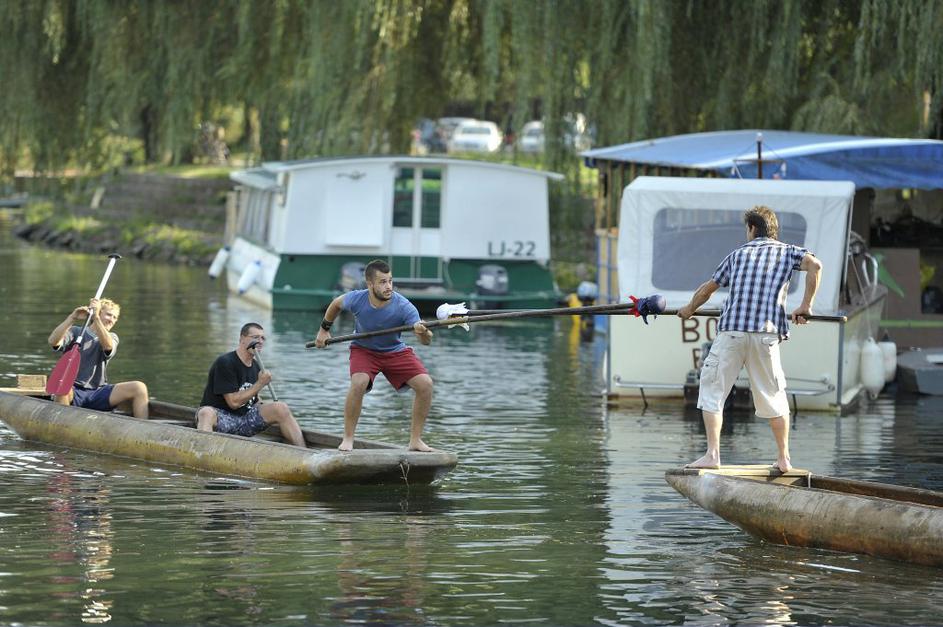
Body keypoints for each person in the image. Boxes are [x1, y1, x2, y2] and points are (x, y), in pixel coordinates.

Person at [677, 206, 823, 473]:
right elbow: (816, 265)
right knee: (774, 396)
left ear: (752, 229)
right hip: (766, 334)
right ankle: (783, 459)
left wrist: (688, 310)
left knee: (712, 390)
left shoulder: (737, 254)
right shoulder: (788, 251)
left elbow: (708, 289)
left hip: (732, 331)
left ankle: (712, 454)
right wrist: (805, 306)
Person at [313, 259, 434, 452]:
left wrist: (423, 333)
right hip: (364, 349)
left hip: (394, 351)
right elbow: (335, 304)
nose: (389, 287)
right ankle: (348, 439)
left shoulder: (404, 306)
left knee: (426, 384)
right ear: (370, 284)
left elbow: (426, 341)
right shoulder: (356, 298)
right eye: (382, 282)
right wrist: (323, 330)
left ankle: (415, 440)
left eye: (390, 281)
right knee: (359, 382)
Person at [196, 323, 306, 447]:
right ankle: (203, 450)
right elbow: (233, 403)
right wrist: (260, 383)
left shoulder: (257, 366)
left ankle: (305, 453)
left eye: (262, 338)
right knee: (205, 413)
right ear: (242, 339)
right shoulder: (225, 362)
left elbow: (254, 399)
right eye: (255, 337)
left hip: (245, 420)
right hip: (222, 419)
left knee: (281, 407)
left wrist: (268, 407)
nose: (259, 341)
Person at [48, 298, 150, 418]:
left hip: (98, 392)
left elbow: (108, 346)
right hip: (73, 391)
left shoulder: (112, 337)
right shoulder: (76, 332)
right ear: (98, 312)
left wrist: (96, 318)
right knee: (63, 387)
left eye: (115, 317)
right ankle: (62, 425)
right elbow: (53, 341)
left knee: (139, 387)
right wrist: (72, 318)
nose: (111, 320)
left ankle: (143, 428)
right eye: (108, 315)